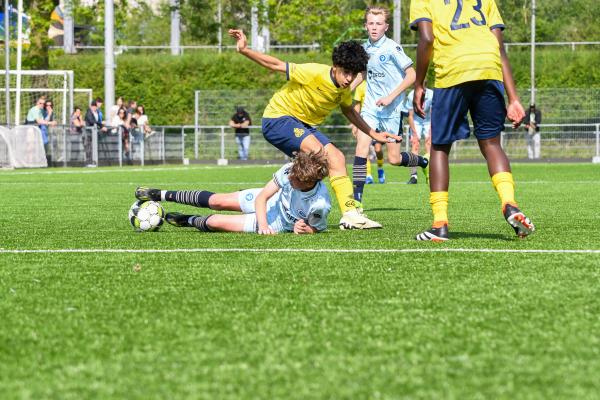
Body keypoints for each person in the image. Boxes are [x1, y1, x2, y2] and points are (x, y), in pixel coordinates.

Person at [228, 28, 402, 230]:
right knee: (320, 154)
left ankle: (350, 215)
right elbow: (275, 64)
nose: (348, 79)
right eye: (346, 72)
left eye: (353, 74)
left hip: (303, 125)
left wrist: (373, 133)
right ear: (335, 66)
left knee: (337, 157)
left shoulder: (343, 88)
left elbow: (349, 111)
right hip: (278, 119)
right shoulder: (314, 72)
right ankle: (274, 201)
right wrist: (244, 50)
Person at [410, 0, 535, 241]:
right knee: (491, 144)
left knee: (439, 147)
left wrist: (419, 83)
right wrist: (514, 98)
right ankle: (510, 204)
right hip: (489, 68)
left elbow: (426, 39)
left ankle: (439, 224)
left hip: (454, 70)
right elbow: (499, 47)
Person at [135, 151, 331, 234]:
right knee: (217, 201)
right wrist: (262, 225)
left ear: (309, 181)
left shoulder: (319, 204)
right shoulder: (291, 170)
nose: (290, 178)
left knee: (214, 221)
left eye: (295, 179)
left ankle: (186, 220)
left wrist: (306, 230)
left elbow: (317, 228)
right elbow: (263, 197)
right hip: (268, 203)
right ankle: (160, 194)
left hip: (276, 222)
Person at [351, 6, 428, 204]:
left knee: (393, 159)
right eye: (370, 23)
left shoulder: (392, 48)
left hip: (392, 109)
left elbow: (412, 75)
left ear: (386, 27)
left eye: (378, 24)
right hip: (370, 107)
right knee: (361, 147)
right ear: (365, 26)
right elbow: (362, 73)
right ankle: (356, 203)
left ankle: (423, 162)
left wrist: (391, 96)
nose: (374, 27)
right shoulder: (364, 48)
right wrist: (347, 88)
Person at [352, 80, 386, 184]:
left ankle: (380, 168)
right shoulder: (361, 85)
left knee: (378, 149)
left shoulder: (381, 82)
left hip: (380, 122)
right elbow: (357, 106)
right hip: (365, 122)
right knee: (364, 148)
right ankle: (368, 175)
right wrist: (354, 125)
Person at [405, 85, 433, 184]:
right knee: (415, 144)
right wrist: (414, 134)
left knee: (429, 143)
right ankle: (414, 176)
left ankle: (430, 174)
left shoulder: (431, 94)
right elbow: (411, 116)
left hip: (429, 120)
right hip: (416, 121)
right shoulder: (411, 95)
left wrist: (430, 131)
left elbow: (433, 113)